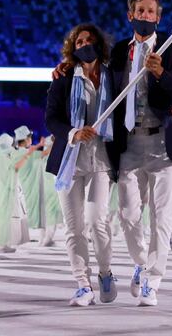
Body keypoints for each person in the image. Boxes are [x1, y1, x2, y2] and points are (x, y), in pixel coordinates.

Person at [106, 0, 172, 307]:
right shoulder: (117, 52)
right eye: (139, 11)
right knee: (128, 214)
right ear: (131, 15)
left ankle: (153, 281)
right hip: (128, 142)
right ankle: (141, 263)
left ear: (159, 17)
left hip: (163, 144)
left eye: (150, 11)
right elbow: (103, 88)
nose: (145, 16)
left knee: (162, 217)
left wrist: (161, 73)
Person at [45, 23, 119, 306]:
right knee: (74, 227)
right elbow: (50, 118)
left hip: (101, 159)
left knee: (97, 222)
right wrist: (74, 132)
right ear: (72, 49)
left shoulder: (113, 76)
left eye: (88, 40)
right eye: (78, 42)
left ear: (98, 44)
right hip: (70, 160)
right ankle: (82, 284)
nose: (84, 44)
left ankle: (105, 273)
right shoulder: (63, 78)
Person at [0, 133, 34, 254]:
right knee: (8, 218)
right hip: (7, 190)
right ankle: (3, 245)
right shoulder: (5, 156)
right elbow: (15, 168)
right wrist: (26, 156)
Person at [14, 125, 50, 245]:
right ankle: (42, 239)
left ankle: (22, 238)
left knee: (21, 214)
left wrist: (39, 145)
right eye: (29, 137)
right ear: (25, 139)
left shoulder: (15, 152)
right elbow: (45, 153)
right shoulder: (28, 154)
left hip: (20, 188)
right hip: (31, 189)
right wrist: (54, 142)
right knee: (38, 212)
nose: (31, 139)